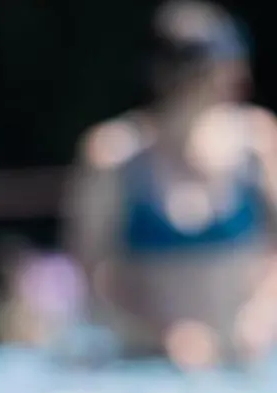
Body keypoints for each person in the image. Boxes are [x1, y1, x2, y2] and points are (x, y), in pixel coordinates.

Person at [65, 1, 277, 369]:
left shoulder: (256, 145)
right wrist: (162, 334)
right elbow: (88, 273)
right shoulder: (114, 154)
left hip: (244, 361)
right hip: (147, 362)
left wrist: (260, 318)